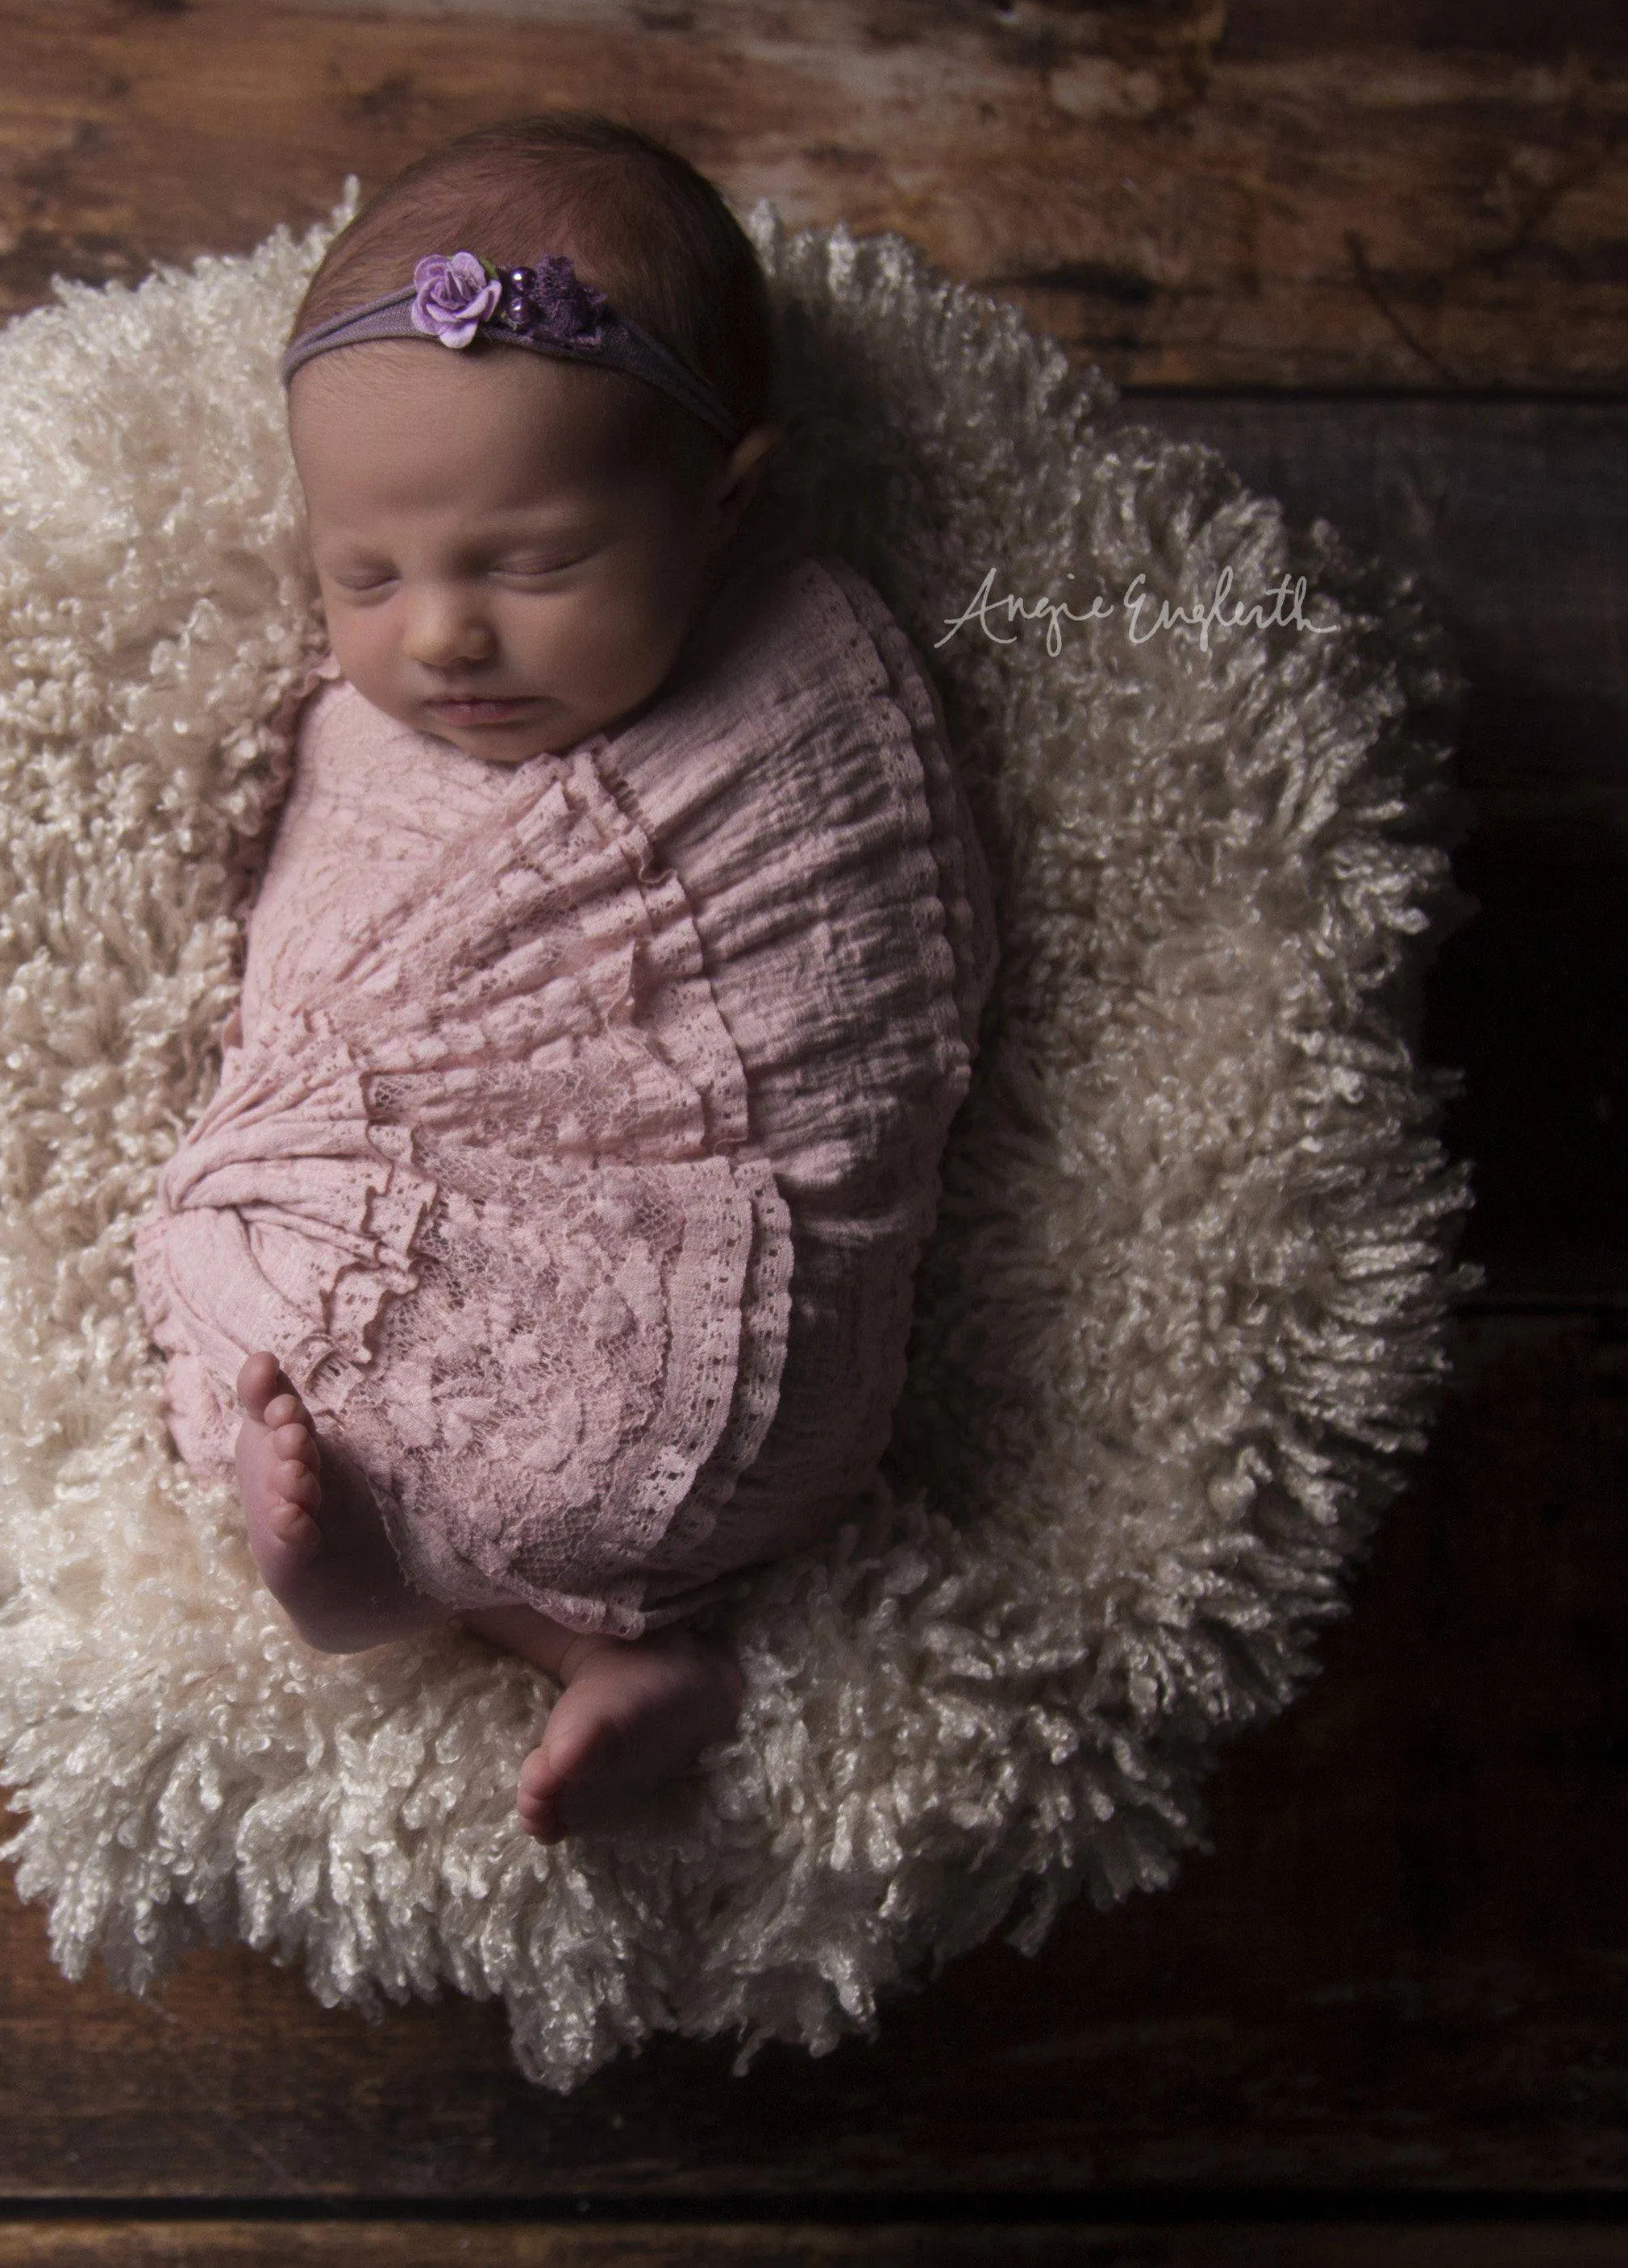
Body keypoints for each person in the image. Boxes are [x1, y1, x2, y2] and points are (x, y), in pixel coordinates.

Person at [130, 115, 998, 1842]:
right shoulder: (360, 727)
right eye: (364, 575)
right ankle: (587, 1644)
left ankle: (446, 1572)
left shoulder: (798, 698)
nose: (442, 636)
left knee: (298, 1321)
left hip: (707, 1321)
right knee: (229, 1267)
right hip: (370, 1181)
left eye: (531, 564)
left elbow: (881, 978)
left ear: (720, 502)